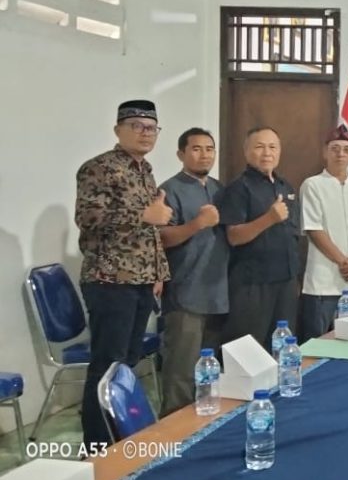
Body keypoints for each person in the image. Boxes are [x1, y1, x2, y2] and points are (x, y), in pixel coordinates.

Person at [75, 99, 171, 446]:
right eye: (137, 126)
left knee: (127, 364)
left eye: (151, 128)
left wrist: (158, 272)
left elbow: (150, 231)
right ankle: (98, 446)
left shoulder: (144, 170)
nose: (145, 133)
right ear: (118, 130)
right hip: (110, 281)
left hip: (141, 281)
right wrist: (143, 216)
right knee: (107, 365)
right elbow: (88, 218)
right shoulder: (99, 167)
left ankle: (122, 438)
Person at [158, 128, 228, 416]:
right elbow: (161, 238)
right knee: (181, 372)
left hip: (218, 292)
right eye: (196, 149)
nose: (204, 155)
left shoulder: (220, 189)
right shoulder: (169, 189)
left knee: (210, 372)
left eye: (209, 149)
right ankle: (174, 431)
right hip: (185, 292)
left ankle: (205, 427)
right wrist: (197, 224)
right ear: (181, 154)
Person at [218, 127, 301, 348]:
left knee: (283, 347)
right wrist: (269, 218)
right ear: (246, 151)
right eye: (259, 147)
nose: (267, 153)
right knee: (249, 350)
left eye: (272, 147)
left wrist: (295, 276)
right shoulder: (238, 188)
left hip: (286, 281)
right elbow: (234, 236)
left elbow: (293, 235)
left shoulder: (285, 186)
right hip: (253, 283)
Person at [300, 125, 348, 341]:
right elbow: (314, 230)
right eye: (334, 149)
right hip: (323, 283)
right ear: (325, 153)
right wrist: (344, 263)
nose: (340, 154)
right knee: (318, 343)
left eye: (346, 149)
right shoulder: (313, 185)